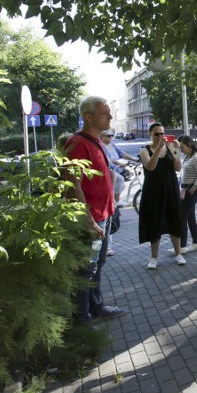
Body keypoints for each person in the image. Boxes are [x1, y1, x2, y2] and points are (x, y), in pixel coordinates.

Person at [64, 96, 127, 323]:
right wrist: (88, 220)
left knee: (96, 264)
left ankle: (96, 308)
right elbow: (73, 185)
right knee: (85, 269)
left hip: (104, 215)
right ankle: (82, 321)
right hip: (91, 219)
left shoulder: (97, 141)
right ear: (88, 116)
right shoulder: (78, 144)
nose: (110, 117)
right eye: (104, 113)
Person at [139, 122, 185, 269]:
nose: (160, 136)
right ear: (150, 135)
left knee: (174, 219)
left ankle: (178, 254)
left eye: (162, 133)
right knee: (155, 222)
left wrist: (176, 151)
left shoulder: (171, 147)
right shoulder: (144, 151)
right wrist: (158, 148)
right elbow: (150, 167)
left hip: (171, 188)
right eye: (157, 134)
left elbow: (178, 168)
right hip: (153, 191)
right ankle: (153, 258)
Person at [178, 135, 197, 253]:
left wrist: (192, 190)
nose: (181, 150)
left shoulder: (196, 157)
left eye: (182, 147)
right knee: (190, 218)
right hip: (186, 190)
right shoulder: (188, 157)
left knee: (182, 218)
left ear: (189, 145)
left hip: (191, 190)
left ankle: (182, 246)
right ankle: (196, 243)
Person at [99, 130, 137, 206]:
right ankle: (114, 200)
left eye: (111, 136)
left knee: (121, 185)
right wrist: (118, 163)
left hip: (117, 167)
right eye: (108, 136)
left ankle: (114, 200)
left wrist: (134, 159)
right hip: (108, 168)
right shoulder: (101, 146)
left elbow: (121, 153)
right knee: (120, 179)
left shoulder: (112, 145)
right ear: (102, 137)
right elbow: (107, 159)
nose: (110, 137)